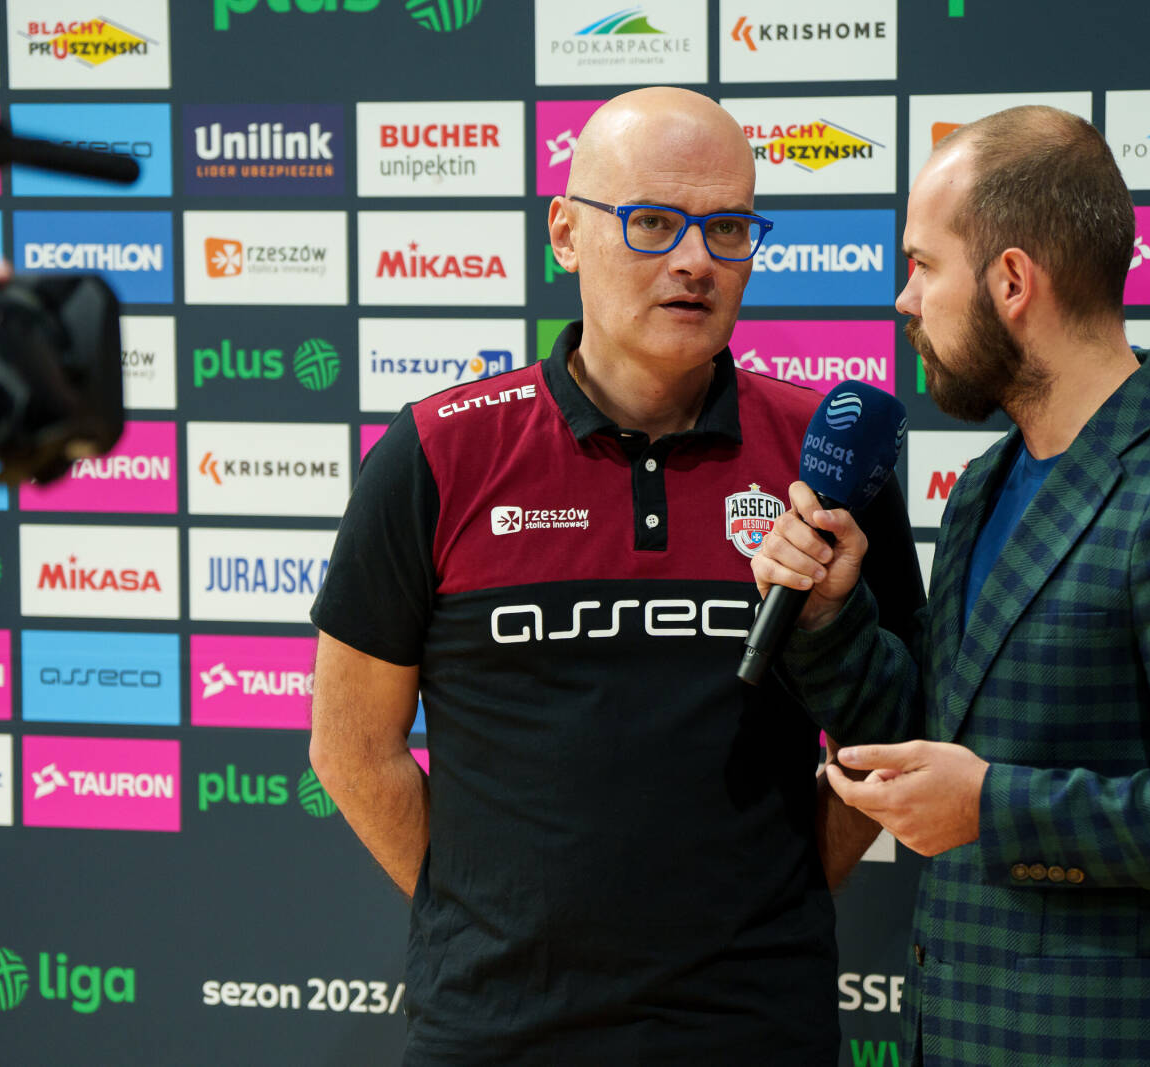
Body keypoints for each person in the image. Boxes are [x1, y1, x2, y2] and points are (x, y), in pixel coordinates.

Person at [307, 87, 922, 1065]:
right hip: (494, 1033)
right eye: (652, 222)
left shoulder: (827, 462)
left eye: (728, 228)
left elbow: (888, 739)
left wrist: (782, 894)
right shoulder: (436, 453)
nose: (694, 260)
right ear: (566, 232)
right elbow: (351, 748)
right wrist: (490, 915)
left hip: (756, 1029)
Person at [751, 105, 1150, 1067]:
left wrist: (994, 808)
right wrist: (828, 616)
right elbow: (938, 731)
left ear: (1012, 281)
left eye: (923, 265)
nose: (903, 300)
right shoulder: (985, 483)